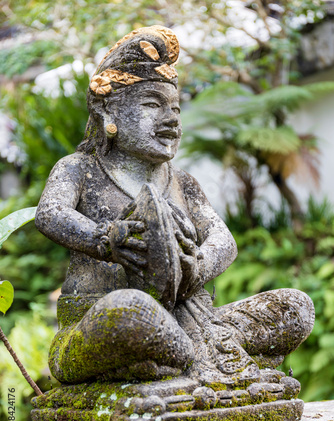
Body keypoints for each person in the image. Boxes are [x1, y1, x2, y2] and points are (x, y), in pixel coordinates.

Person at [35, 26, 314, 388]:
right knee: (129, 313)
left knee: (295, 307)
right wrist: (105, 239)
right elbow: (50, 214)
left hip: (195, 318)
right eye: (152, 105)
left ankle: (184, 359)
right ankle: (209, 362)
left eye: (176, 108)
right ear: (106, 108)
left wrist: (197, 266)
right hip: (103, 320)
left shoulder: (181, 181)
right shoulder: (80, 169)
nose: (171, 121)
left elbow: (223, 239)